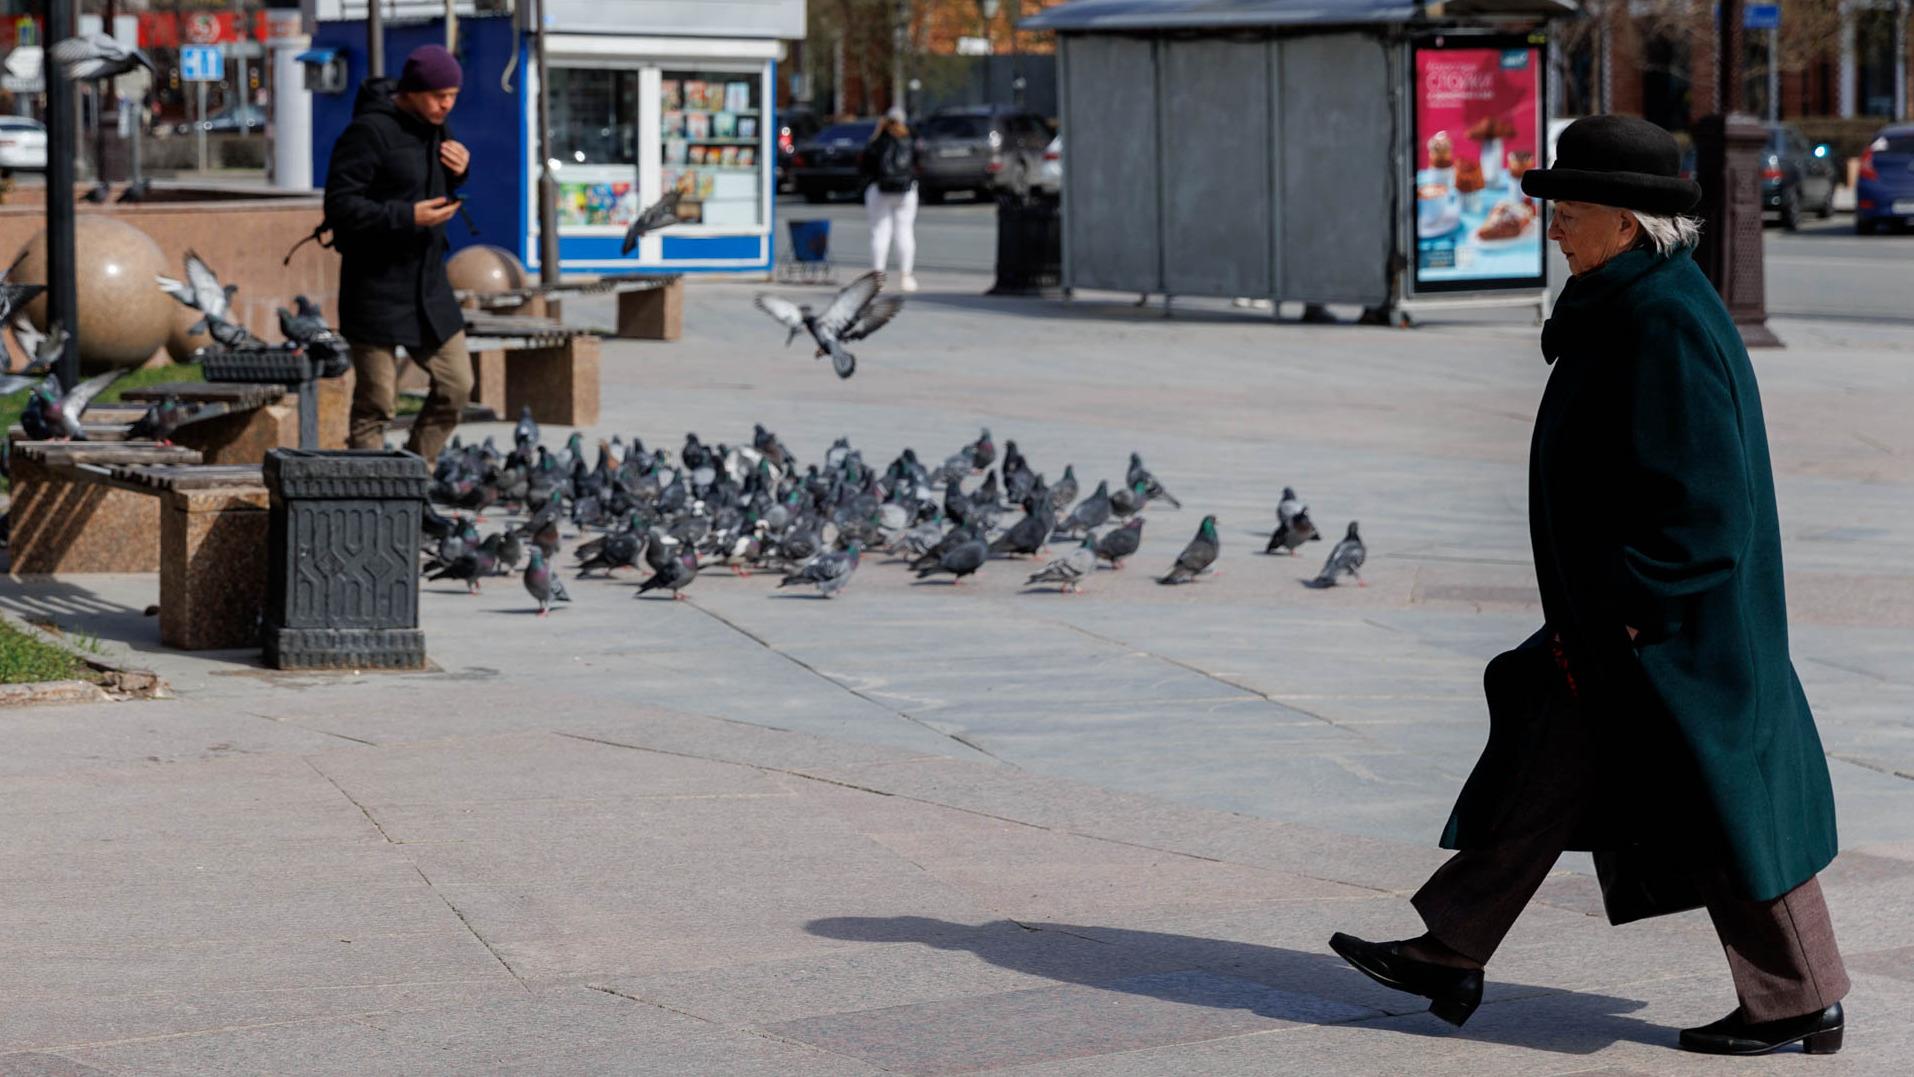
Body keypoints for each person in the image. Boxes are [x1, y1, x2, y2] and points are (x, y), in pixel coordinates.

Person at [1329, 115, 1849, 1057]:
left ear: (1631, 222)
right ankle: (1453, 947)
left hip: (1667, 627)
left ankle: (1799, 998)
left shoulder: (1663, 322)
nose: (1555, 225)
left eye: (1571, 210)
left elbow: (1707, 512)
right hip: (1626, 620)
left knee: (1733, 805)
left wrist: (1634, 616)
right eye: (1555, 207)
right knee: (1552, 753)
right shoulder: (1630, 302)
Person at [323, 44, 473, 465]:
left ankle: (412, 481)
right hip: (375, 286)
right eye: (438, 95)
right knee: (377, 403)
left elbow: (432, 184)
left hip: (428, 285)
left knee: (456, 385)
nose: (447, 104)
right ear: (411, 90)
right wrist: (406, 216)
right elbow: (340, 207)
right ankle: (370, 501)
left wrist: (461, 171)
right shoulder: (368, 132)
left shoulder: (437, 126)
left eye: (453, 95)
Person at [860, 106, 919, 293]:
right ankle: (906, 276)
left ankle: (878, 277)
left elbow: (865, 165)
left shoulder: (877, 140)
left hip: (879, 189)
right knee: (905, 232)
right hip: (906, 191)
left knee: (879, 233)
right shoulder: (910, 139)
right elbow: (918, 162)